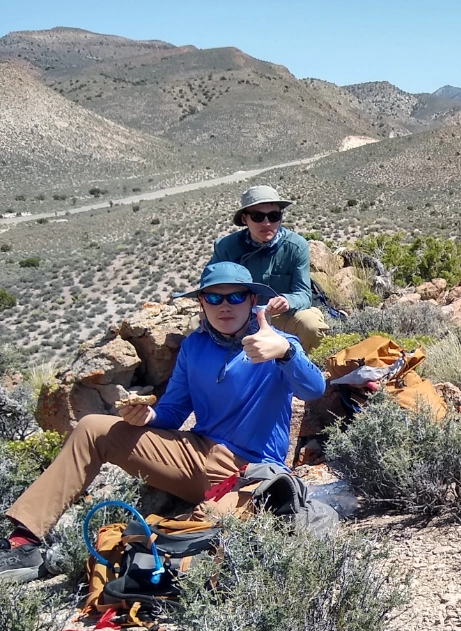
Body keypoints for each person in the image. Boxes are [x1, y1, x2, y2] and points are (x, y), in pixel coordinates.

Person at [0, 262, 327, 582]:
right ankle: (24, 541)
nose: (224, 306)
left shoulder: (277, 343)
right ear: (202, 302)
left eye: (235, 297)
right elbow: (173, 410)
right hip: (197, 454)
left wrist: (285, 351)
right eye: (214, 297)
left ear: (252, 300)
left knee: (210, 542)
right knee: (91, 428)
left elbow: (314, 388)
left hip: (251, 470)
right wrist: (149, 416)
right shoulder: (194, 347)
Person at [209, 185, 327, 349]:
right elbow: (210, 287)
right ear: (244, 219)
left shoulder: (296, 246)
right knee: (197, 326)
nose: (267, 223)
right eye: (257, 217)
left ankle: (304, 370)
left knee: (311, 325)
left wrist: (287, 300)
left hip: (281, 316)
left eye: (273, 216)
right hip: (238, 316)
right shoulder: (226, 247)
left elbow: (303, 294)